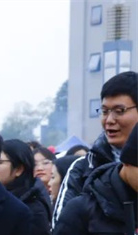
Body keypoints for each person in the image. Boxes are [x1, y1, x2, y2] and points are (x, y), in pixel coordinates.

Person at [54, 71, 138, 222]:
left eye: (119, 111)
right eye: (104, 111)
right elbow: (63, 228)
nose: (109, 120)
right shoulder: (82, 168)